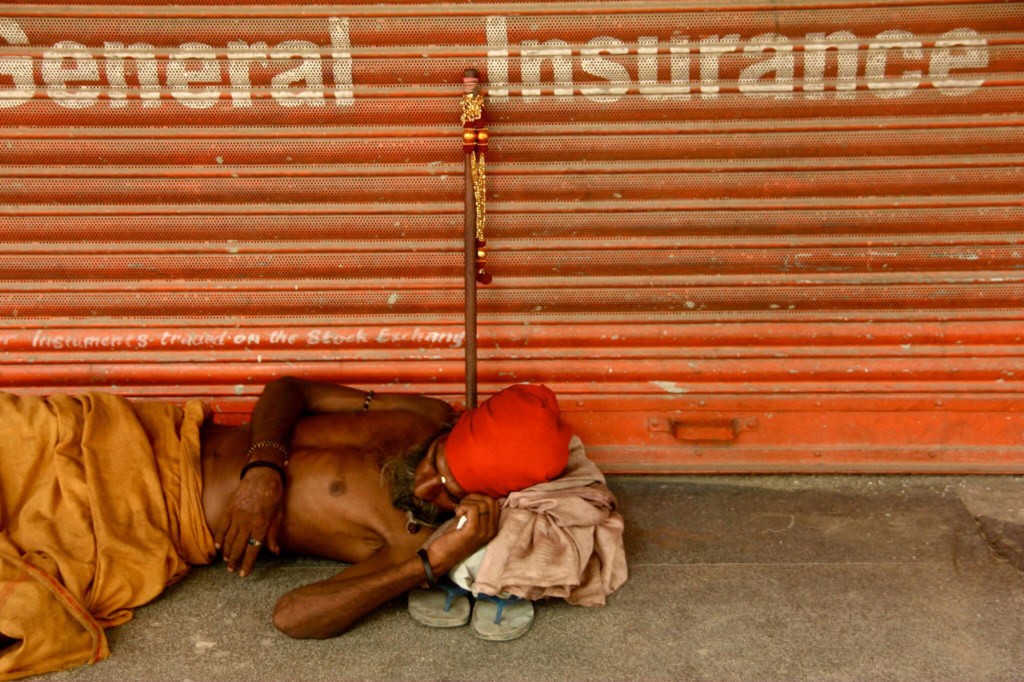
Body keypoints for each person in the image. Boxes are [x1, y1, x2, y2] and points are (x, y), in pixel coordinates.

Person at [1, 377, 623, 680]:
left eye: (452, 494)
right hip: (143, 438)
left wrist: (430, 565)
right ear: (449, 433)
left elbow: (293, 617)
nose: (430, 488)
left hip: (145, 519)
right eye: (436, 467)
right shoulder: (418, 414)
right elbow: (291, 387)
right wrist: (263, 468)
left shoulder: (415, 536)